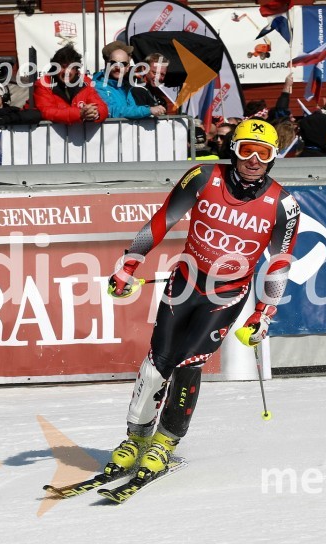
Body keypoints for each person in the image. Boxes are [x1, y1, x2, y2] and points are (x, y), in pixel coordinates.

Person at [103, 118, 300, 483]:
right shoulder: (203, 176)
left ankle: (165, 442)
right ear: (233, 150)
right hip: (184, 282)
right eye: (247, 150)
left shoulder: (284, 205)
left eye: (263, 153)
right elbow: (163, 220)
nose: (254, 160)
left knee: (188, 363)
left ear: (273, 157)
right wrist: (129, 262)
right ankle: (136, 438)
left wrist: (264, 312)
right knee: (157, 363)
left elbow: (279, 262)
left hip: (226, 295)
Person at [33, 44, 108, 125]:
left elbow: (101, 107)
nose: (66, 72)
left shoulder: (86, 82)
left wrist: (95, 113)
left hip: (77, 132)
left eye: (71, 67)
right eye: (62, 67)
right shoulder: (44, 83)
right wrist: (79, 113)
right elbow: (47, 112)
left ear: (76, 70)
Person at [94, 41, 166, 120]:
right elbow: (112, 111)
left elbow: (132, 109)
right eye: (114, 63)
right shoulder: (98, 86)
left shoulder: (125, 86)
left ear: (127, 67)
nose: (118, 67)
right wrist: (148, 110)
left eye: (123, 63)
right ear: (107, 63)